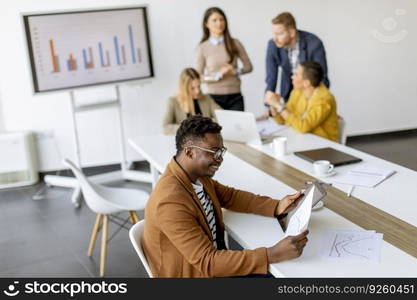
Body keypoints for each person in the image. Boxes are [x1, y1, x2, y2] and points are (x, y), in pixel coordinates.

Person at [143, 115, 309, 277]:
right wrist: (272, 254)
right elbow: (208, 263)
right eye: (214, 152)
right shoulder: (170, 202)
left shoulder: (196, 175)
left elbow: (230, 197)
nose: (220, 159)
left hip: (213, 262)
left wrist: (276, 206)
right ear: (190, 152)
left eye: (221, 151)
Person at [265, 12, 329, 108]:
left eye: (279, 34)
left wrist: (317, 103)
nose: (275, 38)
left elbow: (321, 77)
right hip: (288, 92)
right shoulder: (273, 45)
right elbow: (271, 77)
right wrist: (268, 104)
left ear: (292, 33)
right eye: (274, 33)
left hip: (311, 92)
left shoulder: (314, 43)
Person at [265, 61, 339, 142]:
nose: (292, 76)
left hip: (324, 145)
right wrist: (274, 106)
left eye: (296, 74)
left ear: (306, 83)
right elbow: (285, 121)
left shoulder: (325, 99)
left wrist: (279, 106)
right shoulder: (298, 92)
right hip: (303, 139)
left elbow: (303, 127)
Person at [196, 7, 253, 111]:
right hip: (214, 98)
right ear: (206, 24)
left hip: (235, 96)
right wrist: (217, 76)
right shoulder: (202, 48)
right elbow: (198, 77)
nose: (219, 23)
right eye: (215, 20)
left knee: (238, 127)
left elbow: (249, 67)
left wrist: (235, 71)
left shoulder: (235, 43)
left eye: (222, 19)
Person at [162, 68, 222, 135]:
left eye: (198, 86)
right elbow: (165, 127)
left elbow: (222, 116)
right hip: (186, 142)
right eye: (192, 88)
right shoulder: (173, 102)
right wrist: (188, 129)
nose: (197, 91)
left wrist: (206, 125)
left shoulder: (207, 98)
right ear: (184, 88)